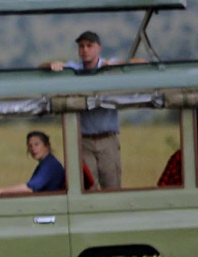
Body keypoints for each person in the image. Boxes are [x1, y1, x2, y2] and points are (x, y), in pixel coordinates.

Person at [39, 30, 140, 189]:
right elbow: (41, 67)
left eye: (89, 46)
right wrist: (52, 65)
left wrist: (117, 65)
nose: (84, 50)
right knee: (87, 187)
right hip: (84, 140)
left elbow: (141, 63)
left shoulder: (108, 66)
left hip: (107, 139)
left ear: (98, 48)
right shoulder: (73, 69)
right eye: (81, 46)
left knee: (112, 184)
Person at [0, 131, 63, 198]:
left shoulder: (50, 166)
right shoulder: (45, 164)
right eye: (30, 146)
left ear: (46, 146)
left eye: (37, 144)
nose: (33, 148)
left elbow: (30, 188)